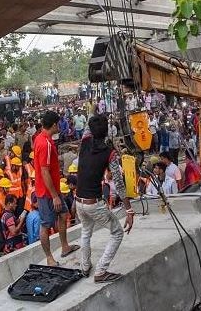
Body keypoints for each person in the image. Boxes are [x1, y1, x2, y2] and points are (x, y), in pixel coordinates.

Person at [75, 114, 134, 282]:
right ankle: (101, 270)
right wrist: (129, 209)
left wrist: (94, 112)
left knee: (86, 232)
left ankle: (85, 266)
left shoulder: (84, 142)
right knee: (117, 233)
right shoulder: (110, 153)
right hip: (94, 204)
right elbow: (119, 183)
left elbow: (88, 123)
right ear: (107, 131)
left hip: (79, 200)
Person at [33, 110, 77, 267]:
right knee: (45, 225)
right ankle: (49, 257)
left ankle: (65, 247)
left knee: (63, 214)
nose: (59, 126)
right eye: (58, 124)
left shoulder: (42, 139)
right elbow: (44, 171)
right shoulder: (44, 143)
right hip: (47, 193)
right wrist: (54, 196)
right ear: (53, 125)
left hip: (53, 190)